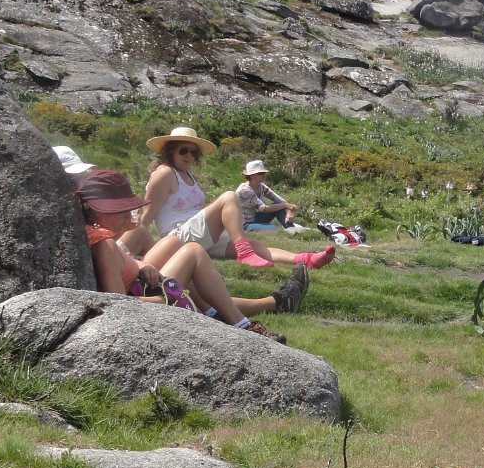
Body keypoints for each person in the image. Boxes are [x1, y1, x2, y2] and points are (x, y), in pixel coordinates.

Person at [76, 169, 306, 343]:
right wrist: (166, 298)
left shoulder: (97, 237)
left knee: (185, 250)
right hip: (144, 300)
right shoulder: (105, 245)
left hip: (142, 285)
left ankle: (227, 313)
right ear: (99, 210)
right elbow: (117, 306)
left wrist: (141, 265)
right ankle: (241, 323)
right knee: (193, 252)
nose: (127, 216)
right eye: (119, 211)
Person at [128, 127, 335, 270]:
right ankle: (244, 254)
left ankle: (305, 259)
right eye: (184, 151)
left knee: (253, 244)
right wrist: (128, 249)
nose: (189, 156)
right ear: (170, 151)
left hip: (196, 235)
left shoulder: (187, 175)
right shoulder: (164, 173)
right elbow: (146, 216)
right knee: (229, 197)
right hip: (177, 237)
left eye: (194, 152)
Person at [236, 160, 308, 235]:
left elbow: (280, 200)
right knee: (273, 228)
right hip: (245, 223)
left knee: (278, 205)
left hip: (255, 217)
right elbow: (264, 209)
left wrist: (288, 211)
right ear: (251, 176)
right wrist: (285, 205)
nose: (264, 175)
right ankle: (290, 231)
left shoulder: (261, 186)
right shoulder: (245, 190)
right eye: (260, 173)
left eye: (264, 173)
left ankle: (291, 229)